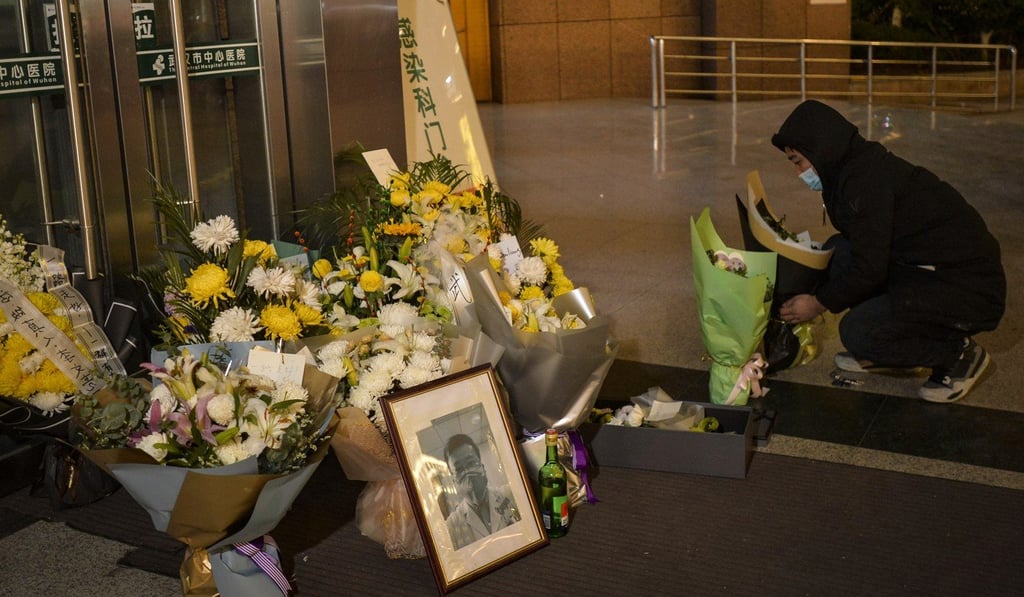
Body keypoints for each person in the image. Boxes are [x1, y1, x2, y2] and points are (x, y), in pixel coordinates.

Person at [772, 100, 1005, 402]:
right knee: (836, 254)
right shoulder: (849, 170)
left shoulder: (865, 182)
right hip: (924, 266)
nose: (798, 172)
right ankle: (888, 352)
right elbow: (863, 249)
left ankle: (958, 354)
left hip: (966, 286)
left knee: (858, 332)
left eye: (798, 161)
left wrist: (817, 303)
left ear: (821, 149)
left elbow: (870, 268)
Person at [443, 433, 521, 550]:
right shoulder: (451, 527)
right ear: (454, 481)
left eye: (471, 463)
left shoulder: (513, 494)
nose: (467, 473)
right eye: (459, 469)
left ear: (483, 468)